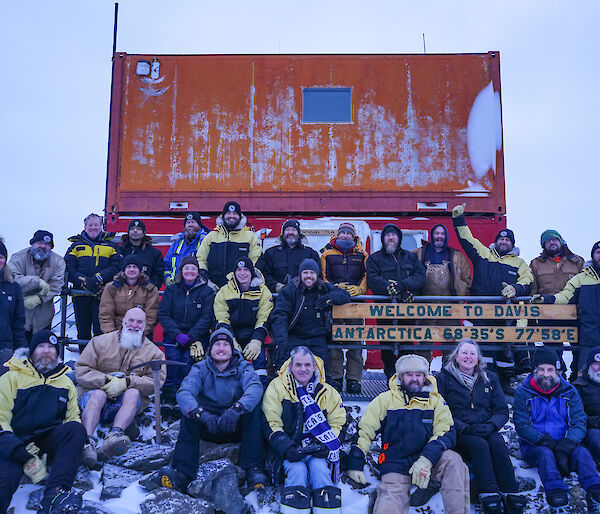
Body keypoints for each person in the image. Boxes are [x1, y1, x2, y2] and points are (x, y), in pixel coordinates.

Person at [346, 354, 469, 514]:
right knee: (389, 504)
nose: (414, 379)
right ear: (400, 376)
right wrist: (355, 463)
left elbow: (446, 431)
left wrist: (426, 459)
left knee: (454, 460)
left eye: (418, 375)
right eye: (409, 374)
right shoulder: (385, 400)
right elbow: (365, 430)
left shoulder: (436, 401)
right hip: (396, 463)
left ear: (425, 377)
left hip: (428, 460)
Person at [158, 328, 267, 492]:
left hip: (234, 424)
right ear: (210, 349)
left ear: (232, 349)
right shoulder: (200, 368)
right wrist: (200, 414)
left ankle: (255, 470)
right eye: (217, 344)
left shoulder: (243, 366)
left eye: (225, 344)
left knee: (254, 411)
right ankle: (182, 474)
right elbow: (184, 392)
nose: (221, 348)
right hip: (208, 424)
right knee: (188, 416)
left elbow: (255, 388)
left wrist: (237, 410)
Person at [0, 330, 86, 513]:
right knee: (5, 480)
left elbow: (73, 418)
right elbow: (1, 419)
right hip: (13, 444)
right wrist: (22, 454)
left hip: (45, 442)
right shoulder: (11, 378)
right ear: (31, 352)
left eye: (51, 347)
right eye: (41, 346)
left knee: (76, 429)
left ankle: (54, 497)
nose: (47, 351)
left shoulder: (65, 383)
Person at [435, 339, 525, 513]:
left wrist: (492, 425)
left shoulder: (489, 377)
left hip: (485, 427)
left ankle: (510, 491)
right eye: (464, 353)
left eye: (472, 353)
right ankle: (488, 493)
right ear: (456, 357)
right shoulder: (443, 378)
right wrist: (464, 427)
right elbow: (441, 410)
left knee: (498, 443)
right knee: (480, 445)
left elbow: (501, 409)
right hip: (460, 430)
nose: (468, 357)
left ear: (478, 358)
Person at [451, 203, 533, 385]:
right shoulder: (484, 253)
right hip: (479, 314)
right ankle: (481, 383)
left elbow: (528, 281)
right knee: (481, 351)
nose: (504, 242)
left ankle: (504, 384)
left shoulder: (519, 263)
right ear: (496, 241)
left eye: (508, 240)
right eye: (501, 240)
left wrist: (515, 289)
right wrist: (458, 218)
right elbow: (467, 238)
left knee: (504, 353)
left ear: (512, 243)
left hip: (504, 316)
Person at [75, 307, 166, 468]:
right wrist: (105, 381)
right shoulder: (99, 342)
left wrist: (128, 383)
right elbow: (81, 369)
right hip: (93, 395)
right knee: (98, 395)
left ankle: (114, 436)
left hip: (127, 403)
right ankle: (87, 442)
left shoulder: (154, 353)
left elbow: (156, 382)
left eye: (139, 322)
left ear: (145, 325)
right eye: (130, 320)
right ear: (123, 321)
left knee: (132, 393)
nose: (134, 325)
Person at [513, 347, 600, 513]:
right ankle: (557, 499)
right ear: (534, 371)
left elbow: (579, 421)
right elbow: (522, 425)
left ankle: (596, 495)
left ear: (557, 370)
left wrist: (569, 442)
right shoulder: (523, 393)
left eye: (550, 369)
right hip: (535, 445)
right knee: (545, 455)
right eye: (541, 369)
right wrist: (546, 442)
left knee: (582, 453)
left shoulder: (570, 392)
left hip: (566, 443)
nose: (546, 374)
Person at [262, 346, 345, 514]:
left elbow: (339, 423)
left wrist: (326, 446)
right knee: (297, 470)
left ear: (314, 367)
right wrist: (287, 448)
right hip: (289, 450)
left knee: (320, 469)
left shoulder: (327, 391)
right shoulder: (277, 388)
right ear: (290, 366)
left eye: (307, 365)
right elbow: (271, 423)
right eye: (298, 365)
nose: (303, 369)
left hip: (317, 451)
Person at [366, 224, 426, 380]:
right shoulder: (374, 259)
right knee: (386, 343)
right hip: (384, 309)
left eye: (393, 235)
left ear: (399, 238)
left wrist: (404, 285)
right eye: (387, 235)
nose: (390, 238)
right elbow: (372, 280)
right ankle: (390, 377)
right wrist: (389, 287)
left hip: (407, 308)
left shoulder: (411, 257)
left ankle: (406, 376)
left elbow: (420, 277)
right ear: (383, 238)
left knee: (406, 342)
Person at [532, 241, 600, 378]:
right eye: (598, 252)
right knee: (586, 376)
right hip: (589, 334)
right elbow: (565, 296)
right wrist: (547, 299)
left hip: (588, 333)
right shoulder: (581, 279)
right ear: (593, 255)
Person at [270, 259, 351, 371]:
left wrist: (329, 298)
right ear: (300, 274)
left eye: (312, 273)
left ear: (317, 275)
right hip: (295, 335)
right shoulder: (290, 290)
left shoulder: (323, 288)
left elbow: (345, 295)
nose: (309, 276)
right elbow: (280, 315)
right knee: (291, 366)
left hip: (317, 337)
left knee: (321, 369)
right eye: (305, 273)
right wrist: (282, 340)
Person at [158, 255, 215, 403]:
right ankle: (169, 395)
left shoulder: (206, 292)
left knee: (187, 361)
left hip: (197, 337)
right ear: (181, 270)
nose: (190, 271)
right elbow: (164, 314)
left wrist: (191, 336)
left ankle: (188, 394)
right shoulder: (171, 290)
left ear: (198, 272)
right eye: (186, 268)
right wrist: (177, 334)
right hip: (173, 335)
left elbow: (207, 317)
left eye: (193, 268)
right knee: (173, 359)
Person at [320, 222, 368, 393]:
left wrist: (361, 289)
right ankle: (336, 377)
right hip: (336, 305)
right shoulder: (327, 254)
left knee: (355, 343)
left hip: (356, 305)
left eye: (349, 233)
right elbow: (323, 276)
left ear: (353, 236)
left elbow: (366, 274)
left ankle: (354, 379)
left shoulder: (362, 254)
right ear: (338, 235)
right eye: (343, 233)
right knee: (335, 342)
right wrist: (333, 288)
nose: (345, 235)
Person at [530, 230, 583, 377]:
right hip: (548, 315)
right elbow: (533, 290)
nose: (551, 243)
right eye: (547, 241)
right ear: (543, 245)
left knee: (578, 347)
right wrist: (532, 313)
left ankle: (576, 375)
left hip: (574, 314)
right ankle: (558, 375)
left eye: (554, 239)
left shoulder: (578, 261)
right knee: (552, 349)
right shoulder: (536, 263)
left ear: (560, 241)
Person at [64, 213, 123, 347]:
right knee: (83, 331)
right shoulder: (75, 246)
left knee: (100, 331)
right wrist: (83, 281)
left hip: (102, 294)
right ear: (85, 227)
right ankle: (84, 363)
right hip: (80, 294)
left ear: (101, 226)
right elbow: (68, 266)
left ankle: (100, 363)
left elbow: (117, 266)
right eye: (90, 225)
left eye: (96, 224)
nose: (93, 227)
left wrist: (99, 278)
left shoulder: (111, 245)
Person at [214, 257, 273, 384]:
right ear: (234, 272)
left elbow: (264, 318)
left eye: (246, 270)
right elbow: (221, 318)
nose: (242, 273)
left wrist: (256, 341)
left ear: (251, 272)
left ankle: (260, 393)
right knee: (230, 366)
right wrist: (230, 340)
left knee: (259, 363)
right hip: (232, 335)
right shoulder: (224, 291)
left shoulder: (263, 292)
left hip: (253, 335)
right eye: (239, 270)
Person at [8, 230, 65, 343]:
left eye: (47, 244)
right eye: (39, 242)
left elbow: (56, 285)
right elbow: (12, 279)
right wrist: (36, 282)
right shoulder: (18, 257)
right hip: (19, 316)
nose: (43, 246)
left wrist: (39, 298)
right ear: (32, 243)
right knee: (18, 354)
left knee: (39, 354)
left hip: (44, 318)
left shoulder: (59, 261)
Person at [196, 201, 262, 288]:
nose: (231, 216)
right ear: (223, 216)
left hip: (239, 288)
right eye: (228, 213)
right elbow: (201, 259)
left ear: (240, 216)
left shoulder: (250, 237)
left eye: (235, 213)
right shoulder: (211, 236)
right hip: (213, 288)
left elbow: (255, 260)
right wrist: (205, 279)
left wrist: (246, 282)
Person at [99, 255, 159, 337]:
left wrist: (138, 334)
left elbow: (151, 317)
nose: (131, 269)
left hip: (141, 334)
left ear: (140, 270)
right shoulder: (111, 288)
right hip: (116, 333)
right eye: (128, 267)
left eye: (135, 267)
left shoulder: (150, 290)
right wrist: (112, 335)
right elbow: (106, 314)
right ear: (124, 270)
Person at [256, 219, 321, 293]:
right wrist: (276, 286)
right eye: (287, 229)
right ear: (283, 233)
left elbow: (318, 275)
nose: (290, 232)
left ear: (299, 233)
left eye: (293, 230)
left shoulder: (310, 253)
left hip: (304, 297)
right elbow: (263, 273)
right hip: (277, 297)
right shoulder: (271, 253)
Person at [413, 224, 471, 297]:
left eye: (443, 234)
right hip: (422, 305)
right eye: (437, 233)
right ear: (431, 235)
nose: (439, 236)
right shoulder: (417, 253)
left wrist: (460, 296)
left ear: (446, 236)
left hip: (450, 305)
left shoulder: (458, 256)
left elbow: (467, 280)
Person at [0, 238, 26, 373]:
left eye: (1, 257)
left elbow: (19, 322)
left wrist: (21, 349)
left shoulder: (13, 287)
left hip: (5, 348)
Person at [164, 212, 209, 286]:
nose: (190, 224)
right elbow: (167, 264)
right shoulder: (177, 243)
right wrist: (167, 278)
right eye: (188, 222)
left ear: (200, 225)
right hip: (176, 286)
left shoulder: (206, 241)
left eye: (193, 222)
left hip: (199, 287)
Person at [120, 219, 165, 289]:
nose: (135, 231)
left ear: (144, 232)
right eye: (132, 229)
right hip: (122, 293)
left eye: (138, 229)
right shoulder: (119, 251)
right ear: (128, 232)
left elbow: (158, 275)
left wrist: (150, 289)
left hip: (145, 294)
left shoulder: (154, 253)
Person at [575, 346, 600, 463]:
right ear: (589, 365)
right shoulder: (578, 388)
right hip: (591, 430)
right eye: (596, 364)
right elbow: (575, 416)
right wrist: (595, 421)